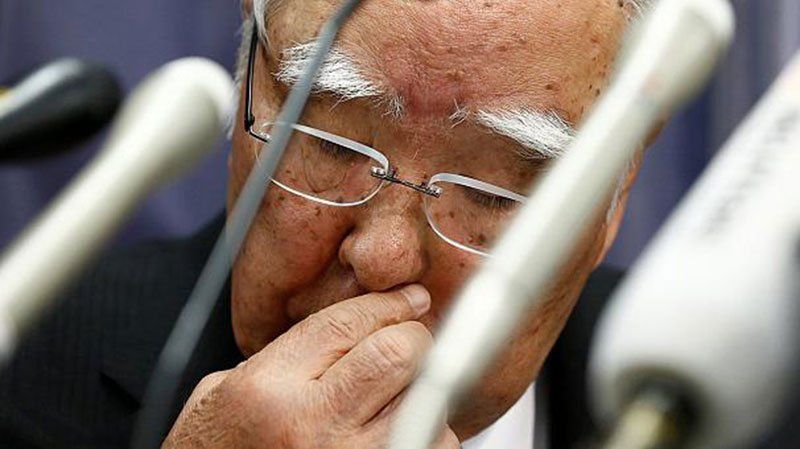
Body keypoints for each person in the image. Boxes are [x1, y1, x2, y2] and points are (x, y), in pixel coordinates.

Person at [0, 1, 653, 448]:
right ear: (250, 80)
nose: (384, 256)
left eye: (489, 191)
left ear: (619, 191)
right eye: (333, 143)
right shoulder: (28, 367)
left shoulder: (698, 394)